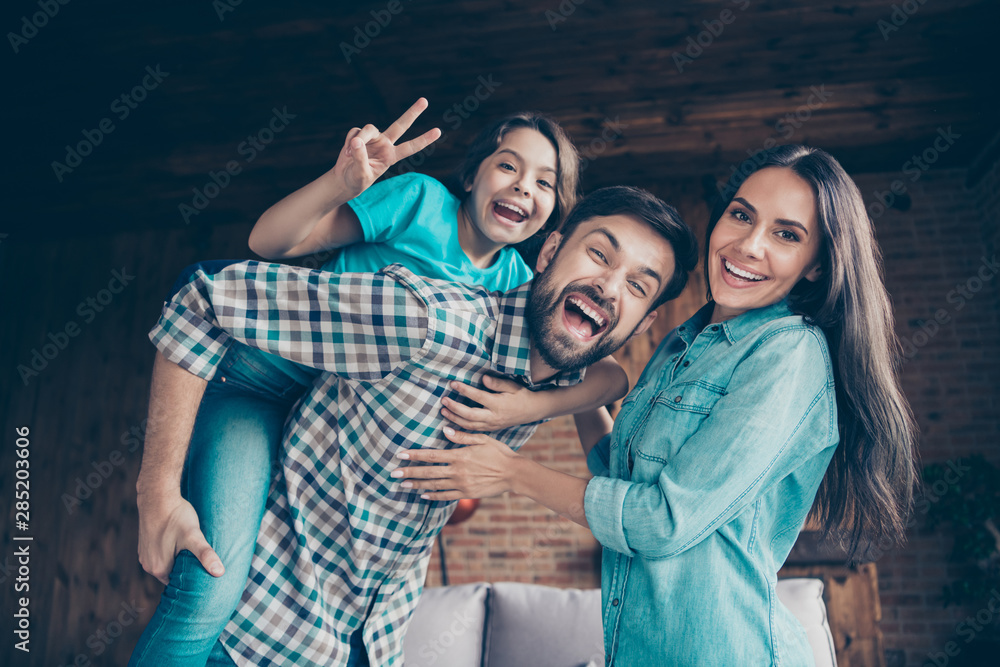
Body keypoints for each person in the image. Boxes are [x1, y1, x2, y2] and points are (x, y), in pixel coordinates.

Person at [133, 185, 698, 666]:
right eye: (599, 255)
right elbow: (201, 299)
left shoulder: (554, 382)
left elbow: (611, 383)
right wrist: (157, 494)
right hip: (258, 635)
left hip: (369, 643)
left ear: (644, 319)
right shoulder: (425, 320)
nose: (608, 287)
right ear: (549, 251)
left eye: (638, 285)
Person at [398, 145, 918, 665]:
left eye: (786, 235)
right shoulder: (682, 345)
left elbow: (661, 520)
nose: (749, 245)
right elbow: (617, 476)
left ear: (815, 265)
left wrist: (511, 472)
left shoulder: (789, 353)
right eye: (741, 215)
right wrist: (563, 386)